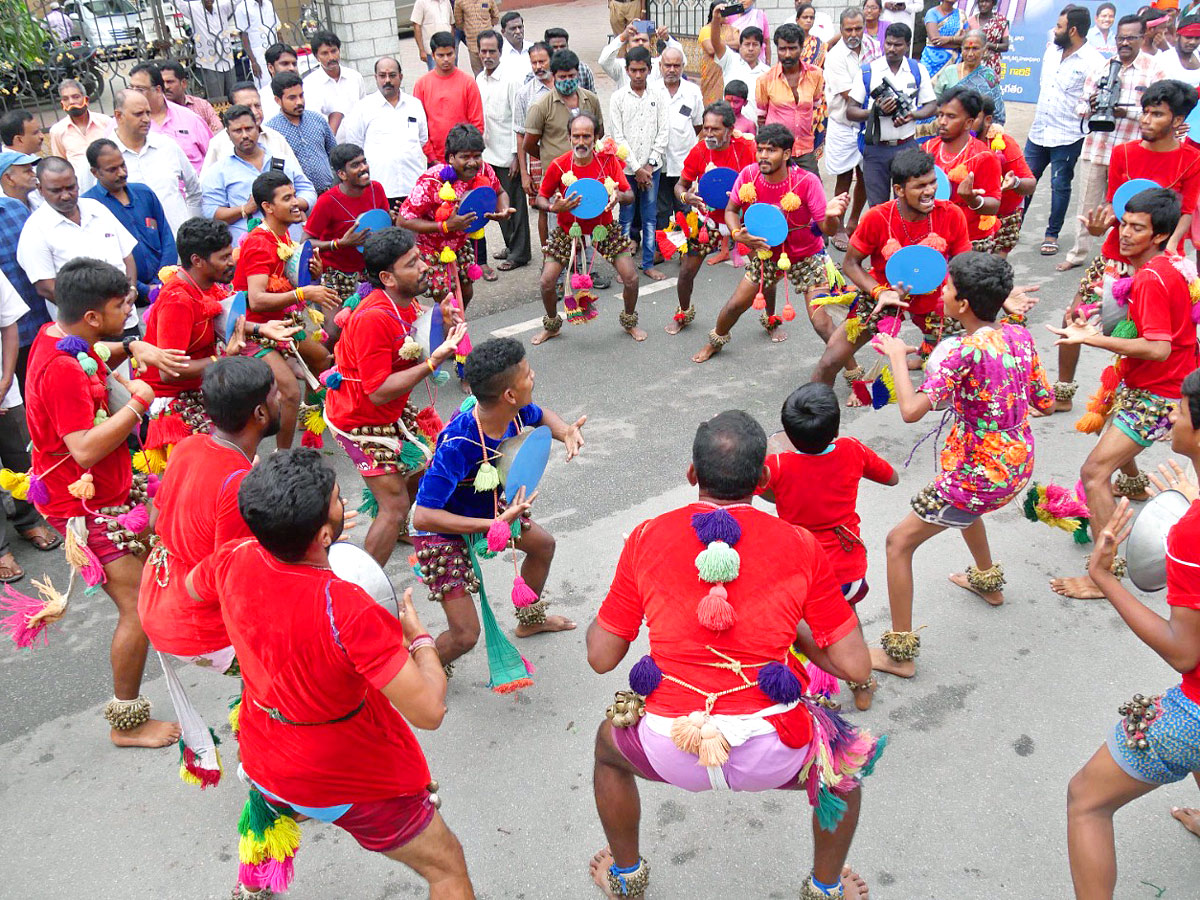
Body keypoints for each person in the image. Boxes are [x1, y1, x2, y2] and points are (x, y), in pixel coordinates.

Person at [586, 409, 879, 900]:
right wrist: (796, 631)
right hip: (774, 749)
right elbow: (856, 668)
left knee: (607, 750)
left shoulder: (644, 537)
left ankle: (625, 875)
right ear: (763, 479)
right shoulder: (802, 545)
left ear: (692, 475)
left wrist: (633, 584)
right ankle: (826, 889)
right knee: (841, 767)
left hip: (669, 745)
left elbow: (601, 655)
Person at [187, 448, 471, 900]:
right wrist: (418, 641)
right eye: (340, 499)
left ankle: (255, 884)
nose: (346, 504)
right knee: (448, 869)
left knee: (275, 807)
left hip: (265, 755)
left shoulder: (234, 556)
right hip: (347, 774)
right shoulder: (347, 608)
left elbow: (191, 588)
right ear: (323, 534)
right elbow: (430, 710)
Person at [869, 252, 1053, 696]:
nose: (943, 294)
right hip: (1016, 462)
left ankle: (899, 655)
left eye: (948, 289)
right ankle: (988, 583)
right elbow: (1044, 401)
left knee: (897, 543)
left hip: (977, 472)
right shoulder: (1019, 337)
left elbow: (912, 411)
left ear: (965, 304)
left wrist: (896, 355)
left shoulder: (962, 354)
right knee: (968, 510)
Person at [24, 257, 187, 748]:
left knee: (158, 577)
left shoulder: (67, 340)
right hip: (86, 507)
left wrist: (136, 347)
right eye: (122, 307)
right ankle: (126, 724)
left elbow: (101, 353)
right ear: (92, 316)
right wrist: (139, 402)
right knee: (138, 609)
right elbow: (86, 447)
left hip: (111, 491)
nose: (129, 310)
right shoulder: (61, 370)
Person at [1065, 378, 1200, 898]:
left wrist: (1105, 579)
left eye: (1183, 409)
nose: (1173, 415)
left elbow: (1184, 651)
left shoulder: (1190, 535)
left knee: (1086, 800)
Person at [1048, 189, 1199, 601]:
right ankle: (1132, 485)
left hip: (1159, 391)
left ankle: (1105, 575)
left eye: (1137, 228)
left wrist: (1092, 339)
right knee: (1115, 431)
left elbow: (1158, 347)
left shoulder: (1151, 278)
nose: (1126, 234)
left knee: (1094, 473)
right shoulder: (1168, 261)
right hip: (1160, 383)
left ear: (1158, 235)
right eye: (1125, 224)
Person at [137, 356, 279, 788]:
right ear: (259, 413)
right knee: (284, 677)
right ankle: (270, 777)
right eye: (275, 395)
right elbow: (234, 578)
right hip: (193, 621)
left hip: (160, 597)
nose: (282, 398)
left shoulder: (190, 444)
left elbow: (155, 518)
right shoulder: (237, 482)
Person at [411, 337, 581, 671]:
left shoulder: (515, 413)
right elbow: (424, 515)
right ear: (509, 395)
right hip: (443, 529)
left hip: (490, 512)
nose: (534, 377)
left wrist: (565, 431)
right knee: (465, 636)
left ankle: (529, 620)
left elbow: (542, 414)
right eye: (528, 375)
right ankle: (415, 675)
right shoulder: (458, 443)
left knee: (543, 546)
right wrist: (494, 525)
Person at [1049, 82, 1200, 415]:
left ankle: (1177, 407)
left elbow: (1186, 210)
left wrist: (1172, 247)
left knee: (1158, 340)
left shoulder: (1192, 159)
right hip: (1116, 259)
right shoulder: (1124, 153)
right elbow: (1116, 205)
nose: (1146, 120)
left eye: (1157, 114)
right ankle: (1063, 393)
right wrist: (1103, 228)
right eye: (1145, 111)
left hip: (1163, 263)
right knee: (1073, 318)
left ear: (1177, 121)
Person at [324, 227, 466, 566]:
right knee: (394, 505)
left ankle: (399, 529)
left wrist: (441, 323)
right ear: (387, 277)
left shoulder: (405, 300)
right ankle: (361, 589)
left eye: (418, 258)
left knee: (423, 467)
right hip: (358, 421)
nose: (422, 267)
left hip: (387, 411)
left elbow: (411, 347)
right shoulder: (373, 318)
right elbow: (376, 391)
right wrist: (434, 362)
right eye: (412, 263)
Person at [760, 382, 898, 708]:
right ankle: (862, 685)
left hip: (798, 568)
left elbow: (760, 490)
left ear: (790, 436)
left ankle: (805, 686)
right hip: (847, 565)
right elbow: (891, 477)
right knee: (848, 618)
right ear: (835, 427)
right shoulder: (851, 449)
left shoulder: (779, 467)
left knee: (800, 625)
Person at [809, 147, 971, 396]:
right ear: (899, 190)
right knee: (830, 360)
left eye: (932, 183)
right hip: (883, 294)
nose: (929, 191)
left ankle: (930, 354)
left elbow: (963, 265)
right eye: (920, 186)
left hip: (938, 297)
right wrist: (879, 292)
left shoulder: (951, 214)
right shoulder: (877, 217)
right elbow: (851, 263)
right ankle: (812, 426)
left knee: (971, 369)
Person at [138, 217, 292, 464]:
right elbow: (169, 372)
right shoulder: (177, 300)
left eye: (230, 254)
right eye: (223, 258)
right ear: (197, 261)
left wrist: (262, 329)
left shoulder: (208, 285)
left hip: (203, 386)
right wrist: (222, 359)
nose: (232, 262)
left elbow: (224, 322)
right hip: (175, 399)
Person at [693, 123, 841, 363]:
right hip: (767, 254)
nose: (763, 155)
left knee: (821, 323)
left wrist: (833, 217)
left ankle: (854, 375)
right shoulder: (749, 175)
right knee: (734, 306)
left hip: (807, 257)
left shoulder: (807, 181)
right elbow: (731, 209)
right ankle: (715, 342)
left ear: (787, 153)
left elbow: (827, 229)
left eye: (771, 150)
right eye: (760, 149)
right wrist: (736, 232)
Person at [231, 170, 339, 451]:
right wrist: (304, 292)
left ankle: (308, 420)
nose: (297, 203)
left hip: (283, 326)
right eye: (287, 198)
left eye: (295, 195)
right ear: (267, 207)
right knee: (289, 391)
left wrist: (313, 274)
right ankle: (283, 455)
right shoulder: (258, 243)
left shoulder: (285, 238)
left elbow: (292, 282)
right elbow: (256, 301)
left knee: (323, 360)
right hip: (255, 333)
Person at [533, 114, 644, 344]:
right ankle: (552, 325)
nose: (581, 141)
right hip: (568, 230)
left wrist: (618, 196)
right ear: (569, 138)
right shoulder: (558, 165)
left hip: (602, 228)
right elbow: (540, 198)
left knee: (631, 278)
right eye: (576, 136)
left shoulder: (607, 161)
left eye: (586, 136)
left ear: (595, 138)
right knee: (546, 282)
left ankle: (629, 322)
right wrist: (555, 207)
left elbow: (630, 195)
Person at [1059, 15, 1155, 273]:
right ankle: (1078, 254)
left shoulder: (1154, 70)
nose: (1124, 42)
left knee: (1128, 206)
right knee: (1087, 207)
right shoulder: (1102, 67)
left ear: (1142, 38)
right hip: (1096, 149)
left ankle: (1123, 257)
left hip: (1131, 153)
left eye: (1130, 38)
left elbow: (1156, 110)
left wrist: (1126, 112)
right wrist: (1089, 107)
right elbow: (1079, 104)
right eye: (1120, 37)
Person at [399, 124, 511, 318]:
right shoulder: (431, 181)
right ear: (451, 158)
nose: (472, 163)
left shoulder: (484, 171)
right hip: (431, 248)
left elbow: (500, 191)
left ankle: (453, 323)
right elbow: (403, 220)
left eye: (477, 156)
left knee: (466, 292)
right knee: (446, 297)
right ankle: (446, 333)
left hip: (460, 244)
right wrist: (443, 226)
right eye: (465, 157)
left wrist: (503, 209)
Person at [17, 156, 140, 332]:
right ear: (40, 189)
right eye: (56, 190)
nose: (66, 195)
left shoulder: (97, 209)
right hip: (85, 332)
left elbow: (127, 256)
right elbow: (46, 287)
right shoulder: (35, 230)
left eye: (70, 187)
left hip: (127, 320)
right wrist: (97, 314)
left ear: (77, 182)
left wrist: (132, 290)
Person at [668, 101, 755, 334]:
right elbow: (680, 185)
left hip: (741, 218)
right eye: (705, 128)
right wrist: (687, 197)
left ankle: (772, 318)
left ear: (729, 129)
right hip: (707, 220)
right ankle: (683, 313)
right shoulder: (698, 151)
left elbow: (762, 180)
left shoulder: (747, 148)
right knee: (686, 271)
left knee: (763, 267)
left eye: (715, 129)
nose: (708, 133)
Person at [1025, 6, 1104, 257]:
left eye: (1059, 27)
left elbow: (1096, 101)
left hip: (1068, 135)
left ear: (1073, 30)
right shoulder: (1051, 51)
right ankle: (1011, 227)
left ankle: (1052, 234)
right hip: (1038, 131)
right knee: (1024, 182)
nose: (1054, 31)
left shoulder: (1095, 62)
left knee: (1060, 185)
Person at [0, 266, 59, 585]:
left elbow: (8, 323)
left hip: (2, 387)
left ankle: (27, 520)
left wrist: (8, 377)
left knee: (20, 458)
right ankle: (0, 550)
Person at [847, 23, 937, 207]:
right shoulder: (868, 71)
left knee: (908, 203)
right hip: (876, 149)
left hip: (907, 145)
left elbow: (932, 105)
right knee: (878, 206)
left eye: (898, 45)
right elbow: (850, 111)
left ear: (907, 45)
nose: (891, 49)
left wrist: (913, 115)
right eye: (888, 43)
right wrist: (875, 112)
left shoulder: (917, 70)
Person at [201, 104, 316, 245]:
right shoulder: (219, 171)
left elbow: (308, 191)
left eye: (249, 129)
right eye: (237, 131)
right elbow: (211, 212)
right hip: (251, 251)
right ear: (228, 135)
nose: (245, 135)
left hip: (293, 245)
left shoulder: (281, 160)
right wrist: (244, 209)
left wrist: (289, 204)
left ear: (257, 128)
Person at [83, 139, 178, 308]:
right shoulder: (89, 206)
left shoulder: (144, 193)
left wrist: (163, 280)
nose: (121, 173)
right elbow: (102, 261)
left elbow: (166, 236)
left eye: (123, 165)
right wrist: (142, 289)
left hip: (167, 289)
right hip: (127, 301)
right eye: (112, 169)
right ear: (95, 172)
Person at [106, 89, 202, 235]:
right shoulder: (103, 155)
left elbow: (194, 190)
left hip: (179, 244)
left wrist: (192, 227)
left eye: (148, 113)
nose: (146, 119)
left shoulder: (167, 146)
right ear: (119, 116)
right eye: (138, 114)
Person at [610, 47, 669, 280]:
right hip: (626, 170)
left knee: (650, 216)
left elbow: (663, 133)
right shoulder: (618, 98)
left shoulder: (659, 96)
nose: (637, 75)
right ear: (626, 70)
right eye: (633, 70)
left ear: (649, 70)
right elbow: (618, 138)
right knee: (625, 214)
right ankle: (623, 266)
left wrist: (650, 166)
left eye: (642, 70)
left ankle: (647, 264)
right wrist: (637, 169)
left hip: (652, 169)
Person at [303, 143, 390, 302]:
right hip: (336, 274)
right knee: (335, 325)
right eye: (356, 165)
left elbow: (384, 223)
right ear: (342, 174)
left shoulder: (376, 188)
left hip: (370, 270)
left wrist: (395, 219)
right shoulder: (326, 201)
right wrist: (339, 244)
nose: (364, 168)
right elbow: (305, 242)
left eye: (364, 162)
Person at [341, 58, 429, 213]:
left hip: (414, 186)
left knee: (417, 235)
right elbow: (355, 146)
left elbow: (422, 138)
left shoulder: (414, 105)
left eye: (392, 75)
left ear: (400, 77)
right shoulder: (363, 108)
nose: (387, 80)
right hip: (381, 190)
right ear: (375, 78)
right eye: (382, 75)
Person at [476, 30, 529, 277]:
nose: (487, 56)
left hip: (508, 156)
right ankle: (510, 247)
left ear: (500, 53)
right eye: (483, 51)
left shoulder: (511, 80)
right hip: (488, 155)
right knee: (498, 205)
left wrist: (517, 157)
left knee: (515, 205)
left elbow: (518, 122)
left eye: (492, 51)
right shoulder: (478, 79)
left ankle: (520, 253)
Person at [923, 86, 1001, 252]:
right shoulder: (928, 147)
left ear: (968, 123)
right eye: (940, 115)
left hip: (970, 240)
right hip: (931, 237)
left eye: (951, 116)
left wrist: (973, 200)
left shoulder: (984, 157)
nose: (942, 122)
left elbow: (994, 205)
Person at [825, 7, 876, 252]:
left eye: (858, 28)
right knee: (844, 176)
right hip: (844, 124)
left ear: (864, 26)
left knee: (865, 175)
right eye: (848, 29)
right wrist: (880, 98)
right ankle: (839, 226)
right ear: (841, 30)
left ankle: (855, 220)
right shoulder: (835, 56)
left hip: (870, 123)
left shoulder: (873, 47)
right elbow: (851, 96)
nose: (854, 34)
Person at [0, 151, 50, 388]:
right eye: (26, 169)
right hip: (10, 335)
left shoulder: (14, 209)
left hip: (42, 318)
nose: (33, 174)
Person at [754, 23, 824, 172]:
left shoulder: (815, 74)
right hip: (777, 151)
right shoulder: (765, 79)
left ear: (801, 48)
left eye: (792, 48)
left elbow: (816, 105)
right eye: (782, 49)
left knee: (812, 191)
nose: (787, 54)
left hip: (805, 150)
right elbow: (762, 119)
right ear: (777, 50)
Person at [974, 95, 1035, 259]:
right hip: (968, 218)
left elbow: (1030, 184)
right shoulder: (954, 143)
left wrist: (1014, 182)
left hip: (1003, 215)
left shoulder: (1004, 143)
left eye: (973, 116)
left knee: (993, 271)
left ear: (987, 120)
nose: (966, 120)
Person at [199, 80, 300, 175]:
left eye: (257, 105)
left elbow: (298, 177)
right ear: (233, 108)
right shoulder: (219, 144)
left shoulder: (276, 138)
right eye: (247, 107)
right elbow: (206, 187)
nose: (255, 112)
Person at [413, 32, 485, 165]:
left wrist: (467, 156)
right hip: (435, 161)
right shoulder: (421, 85)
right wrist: (432, 157)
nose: (446, 59)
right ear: (433, 55)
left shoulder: (468, 82)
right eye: (441, 55)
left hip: (464, 161)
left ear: (455, 53)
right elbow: (419, 126)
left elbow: (477, 124)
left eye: (449, 54)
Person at [129, 62, 212, 175]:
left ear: (158, 90)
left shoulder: (189, 118)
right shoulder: (123, 123)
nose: (133, 94)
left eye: (139, 89)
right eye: (130, 88)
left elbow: (214, 156)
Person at [656, 47, 704, 231]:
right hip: (659, 162)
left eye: (676, 65)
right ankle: (661, 248)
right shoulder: (651, 90)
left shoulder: (692, 91)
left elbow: (698, 124)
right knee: (660, 209)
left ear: (683, 67)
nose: (672, 70)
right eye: (668, 65)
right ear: (660, 66)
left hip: (684, 162)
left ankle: (687, 248)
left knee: (685, 208)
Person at [266, 70, 337, 195]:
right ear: (277, 100)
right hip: (298, 200)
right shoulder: (272, 131)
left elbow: (334, 153)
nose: (299, 102)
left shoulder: (317, 119)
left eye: (301, 95)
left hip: (329, 192)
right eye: (292, 98)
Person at [515, 42, 554, 251]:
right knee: (543, 208)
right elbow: (520, 136)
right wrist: (524, 173)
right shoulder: (524, 94)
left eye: (542, 61)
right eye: (534, 62)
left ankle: (579, 260)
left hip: (566, 155)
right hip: (537, 158)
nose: (538, 66)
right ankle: (549, 258)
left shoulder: (564, 85)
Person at [931, 31, 1005, 126]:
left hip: (979, 133)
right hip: (950, 130)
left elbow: (998, 112)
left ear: (985, 50)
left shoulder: (989, 75)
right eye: (966, 49)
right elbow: (936, 104)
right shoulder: (949, 72)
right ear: (961, 50)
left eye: (975, 49)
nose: (970, 54)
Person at [47, 79, 113, 184]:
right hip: (80, 186)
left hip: (110, 181)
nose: (71, 102)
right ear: (62, 103)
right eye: (66, 99)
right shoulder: (57, 131)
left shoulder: (106, 122)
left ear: (86, 99)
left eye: (76, 97)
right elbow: (61, 163)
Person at [303, 31, 366, 136]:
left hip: (358, 143)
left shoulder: (355, 77)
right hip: (331, 147)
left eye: (334, 51)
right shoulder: (309, 85)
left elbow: (364, 110)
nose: (331, 57)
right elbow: (314, 123)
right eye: (325, 53)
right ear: (316, 57)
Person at [710, 7, 770, 117]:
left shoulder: (767, 72)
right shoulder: (731, 60)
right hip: (730, 125)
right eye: (747, 44)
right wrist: (716, 19)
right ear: (740, 46)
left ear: (761, 47)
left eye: (755, 44)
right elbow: (715, 42)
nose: (751, 48)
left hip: (756, 128)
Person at [177, 0, 237, 102]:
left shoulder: (222, 7)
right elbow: (177, 2)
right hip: (210, 64)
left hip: (228, 62)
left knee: (235, 98)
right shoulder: (193, 9)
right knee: (217, 102)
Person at [599, 22, 687, 90]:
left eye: (644, 40)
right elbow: (604, 61)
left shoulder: (658, 64)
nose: (641, 43)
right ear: (627, 47)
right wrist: (622, 37)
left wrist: (667, 38)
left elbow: (681, 59)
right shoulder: (621, 66)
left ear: (650, 45)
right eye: (636, 40)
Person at [159, 61, 223, 136]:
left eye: (170, 82)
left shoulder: (201, 105)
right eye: (162, 83)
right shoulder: (159, 111)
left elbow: (219, 132)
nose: (166, 87)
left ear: (183, 83)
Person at [232, 0, 280, 90]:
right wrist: (253, 62)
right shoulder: (242, 8)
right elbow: (244, 37)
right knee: (265, 87)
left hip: (276, 52)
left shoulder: (268, 4)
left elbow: (277, 29)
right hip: (259, 56)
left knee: (280, 84)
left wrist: (283, 50)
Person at [1153, 13, 1200, 85]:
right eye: (1188, 37)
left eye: (1197, 38)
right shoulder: (1164, 59)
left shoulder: (1198, 55)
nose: (1193, 42)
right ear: (1177, 36)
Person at [920, 0, 962, 77]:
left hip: (954, 61)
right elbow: (935, 40)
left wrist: (949, 39)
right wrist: (958, 44)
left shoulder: (961, 14)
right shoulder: (932, 13)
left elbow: (968, 38)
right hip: (932, 60)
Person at [968, 0, 1010, 75]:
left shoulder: (1000, 21)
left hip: (992, 65)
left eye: (987, 2)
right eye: (981, 2)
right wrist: (978, 49)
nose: (983, 4)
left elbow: (1005, 46)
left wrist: (988, 45)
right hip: (972, 63)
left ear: (993, 3)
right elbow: (966, 43)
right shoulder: (970, 21)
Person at [259, 42, 299, 121]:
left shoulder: (309, 90)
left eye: (294, 64)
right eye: (285, 64)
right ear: (271, 68)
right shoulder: (261, 98)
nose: (292, 68)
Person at [411, 0, 454, 71]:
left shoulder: (446, 2)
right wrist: (421, 50)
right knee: (435, 76)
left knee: (450, 76)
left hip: (448, 49)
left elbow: (451, 23)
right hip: (432, 51)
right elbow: (416, 26)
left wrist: (452, 45)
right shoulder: (421, 2)